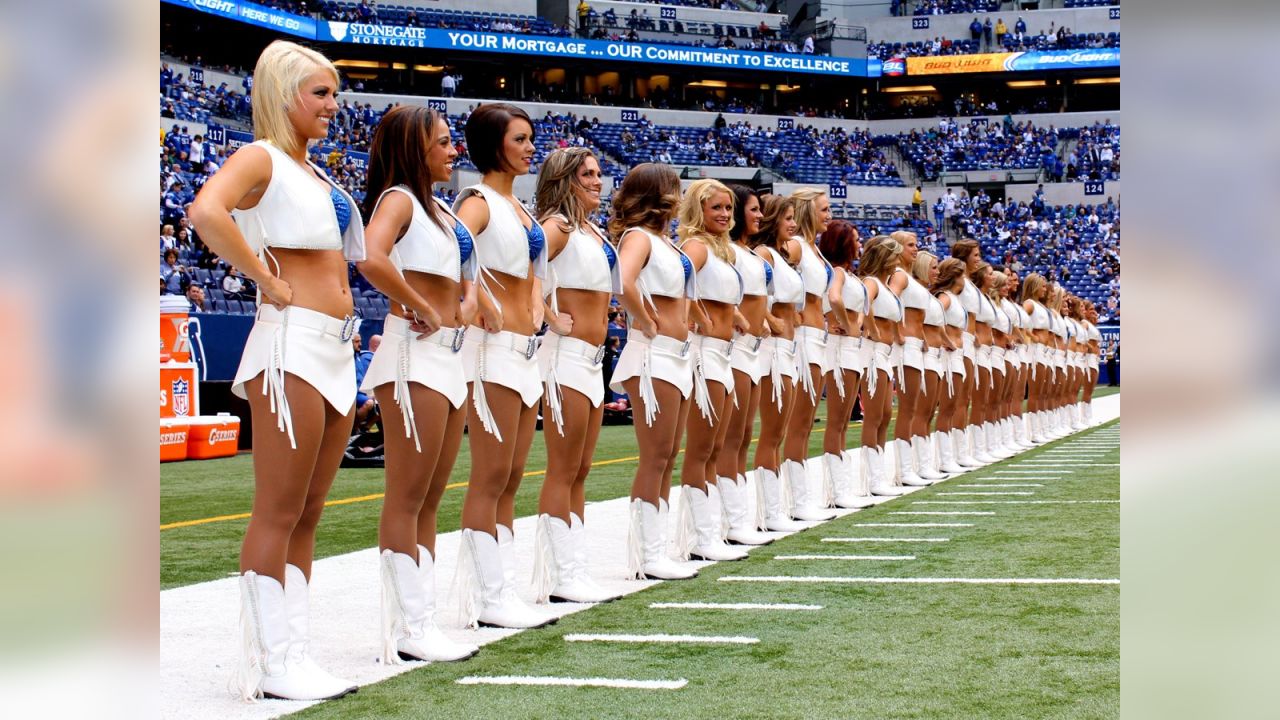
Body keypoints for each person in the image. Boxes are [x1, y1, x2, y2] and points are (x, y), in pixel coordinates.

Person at [189, 39, 361, 702]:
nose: (332, 105)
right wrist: (260, 275)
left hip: (335, 349)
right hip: (289, 347)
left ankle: (294, 652)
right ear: (283, 93)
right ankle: (273, 661)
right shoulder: (259, 157)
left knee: (311, 510)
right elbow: (206, 211)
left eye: (334, 93)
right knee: (280, 508)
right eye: (320, 93)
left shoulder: (314, 171)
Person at [355, 105, 482, 662]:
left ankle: (421, 619)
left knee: (431, 497)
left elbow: (468, 279)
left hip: (451, 359)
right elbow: (369, 256)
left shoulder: (443, 213)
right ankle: (409, 628)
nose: (454, 151)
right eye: (445, 142)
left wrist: (468, 302)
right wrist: (419, 303)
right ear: (415, 147)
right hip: (415, 355)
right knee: (408, 495)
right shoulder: (399, 199)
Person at [451, 103, 555, 629]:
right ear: (494, 145)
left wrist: (536, 299)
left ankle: (502, 588)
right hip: (488, 352)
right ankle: (489, 596)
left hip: (523, 353)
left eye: (530, 138)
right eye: (519, 139)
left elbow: (532, 271)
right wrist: (477, 298)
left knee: (512, 476)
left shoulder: (520, 209)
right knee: (490, 476)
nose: (530, 147)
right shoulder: (478, 201)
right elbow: (452, 246)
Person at [529, 147, 624, 603]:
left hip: (592, 361)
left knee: (581, 469)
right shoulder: (558, 226)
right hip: (563, 356)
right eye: (585, 173)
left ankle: (575, 568)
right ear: (563, 179)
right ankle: (562, 574)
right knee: (564, 468)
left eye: (598, 172)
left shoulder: (589, 231)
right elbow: (520, 269)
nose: (596, 180)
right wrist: (548, 314)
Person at [609, 163, 700, 580]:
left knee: (669, 455)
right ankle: (646, 556)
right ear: (658, 194)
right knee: (656, 455)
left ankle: (656, 549)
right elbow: (623, 280)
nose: (680, 197)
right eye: (675, 189)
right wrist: (643, 319)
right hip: (653, 355)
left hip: (678, 355)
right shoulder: (639, 237)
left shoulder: (665, 240)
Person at [673, 179, 751, 563]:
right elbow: (679, 287)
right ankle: (702, 537)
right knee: (702, 448)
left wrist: (734, 315)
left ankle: (715, 528)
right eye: (715, 208)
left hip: (724, 353)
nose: (723, 214)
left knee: (717, 446)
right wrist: (698, 317)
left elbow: (712, 293)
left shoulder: (722, 251)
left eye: (727, 208)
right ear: (697, 210)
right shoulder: (696, 246)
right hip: (704, 354)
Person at [715, 184, 776, 545]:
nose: (758, 216)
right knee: (731, 438)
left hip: (755, 349)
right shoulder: (728, 253)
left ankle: (738, 516)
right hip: (735, 347)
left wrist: (763, 319)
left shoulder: (746, 252)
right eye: (752, 209)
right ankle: (732, 521)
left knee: (743, 438)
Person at [750, 195, 808, 532]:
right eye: (786, 218)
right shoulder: (764, 254)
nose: (792, 224)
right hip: (771, 349)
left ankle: (777, 509)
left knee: (779, 431)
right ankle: (769, 513)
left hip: (788, 347)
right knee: (771, 433)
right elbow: (759, 298)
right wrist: (769, 318)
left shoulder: (782, 256)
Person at [781, 188, 837, 522]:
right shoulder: (797, 246)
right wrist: (789, 313)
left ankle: (800, 498)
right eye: (824, 209)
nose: (829, 214)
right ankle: (795, 502)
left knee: (805, 422)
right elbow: (767, 263)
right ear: (807, 211)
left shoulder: (813, 249)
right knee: (799, 423)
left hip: (819, 337)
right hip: (802, 338)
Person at [818, 220, 875, 508]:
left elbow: (860, 310)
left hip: (852, 348)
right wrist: (843, 323)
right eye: (855, 239)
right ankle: (837, 492)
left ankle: (842, 487)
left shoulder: (851, 275)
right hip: (839, 349)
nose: (859, 244)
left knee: (844, 422)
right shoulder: (838, 272)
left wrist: (857, 324)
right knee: (837, 422)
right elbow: (833, 297)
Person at [858, 237, 908, 496]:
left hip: (885, 355)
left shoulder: (886, 286)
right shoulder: (871, 282)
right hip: (872, 354)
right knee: (874, 416)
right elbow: (862, 305)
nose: (898, 262)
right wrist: (870, 328)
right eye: (894, 257)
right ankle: (873, 480)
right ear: (884, 257)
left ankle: (879, 475)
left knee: (885, 415)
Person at [888, 231, 935, 486]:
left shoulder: (909, 276)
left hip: (916, 346)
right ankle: (904, 470)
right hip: (906, 348)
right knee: (908, 409)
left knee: (916, 408)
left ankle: (916, 464)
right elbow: (890, 299)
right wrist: (898, 332)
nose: (915, 249)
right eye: (910, 245)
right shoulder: (898, 275)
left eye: (916, 245)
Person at [911, 251, 952, 480]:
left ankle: (926, 462)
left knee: (928, 413)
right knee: (922, 411)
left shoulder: (928, 295)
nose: (937, 272)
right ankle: (921, 465)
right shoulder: (917, 293)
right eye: (933, 267)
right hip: (924, 355)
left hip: (936, 355)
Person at [949, 239, 985, 467]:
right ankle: (957, 453)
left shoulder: (969, 282)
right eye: (975, 255)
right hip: (961, 341)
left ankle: (964, 450)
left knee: (966, 398)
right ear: (964, 256)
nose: (979, 259)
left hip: (970, 341)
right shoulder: (960, 281)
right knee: (960, 400)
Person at [932, 258, 969, 474]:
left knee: (953, 405)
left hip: (957, 355)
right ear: (955, 275)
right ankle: (945, 459)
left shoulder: (954, 298)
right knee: (946, 408)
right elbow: (932, 318)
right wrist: (947, 342)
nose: (964, 279)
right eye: (962, 275)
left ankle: (954, 454)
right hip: (948, 356)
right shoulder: (944, 297)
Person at [1020, 273, 1052, 443]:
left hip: (1044, 351)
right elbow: (1020, 320)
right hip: (1035, 350)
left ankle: (1041, 428)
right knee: (1035, 392)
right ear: (1034, 286)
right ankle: (1033, 431)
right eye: (1043, 286)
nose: (1045, 289)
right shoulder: (1029, 304)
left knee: (1043, 392)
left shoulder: (1040, 305)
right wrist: (1032, 336)